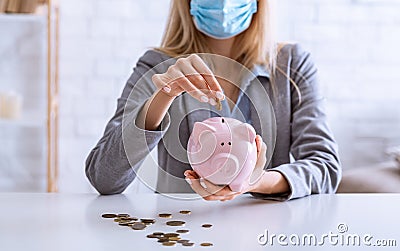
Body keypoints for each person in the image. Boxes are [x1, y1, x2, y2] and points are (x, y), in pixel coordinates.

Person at [85, 0, 342, 201]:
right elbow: (104, 178)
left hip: (266, 233)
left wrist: (256, 182)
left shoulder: (292, 65)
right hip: (182, 232)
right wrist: (163, 96)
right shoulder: (156, 66)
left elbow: (326, 167)